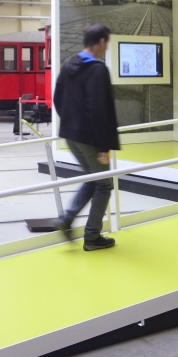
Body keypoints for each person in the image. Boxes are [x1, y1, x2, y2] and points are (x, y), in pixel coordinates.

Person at [53, 24, 120, 251]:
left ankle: (67, 218)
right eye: (106, 44)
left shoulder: (68, 65)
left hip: (71, 136)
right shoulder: (98, 70)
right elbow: (100, 109)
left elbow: (57, 98)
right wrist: (104, 145)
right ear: (101, 42)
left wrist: (72, 124)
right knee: (104, 185)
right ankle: (92, 236)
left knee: (94, 179)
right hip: (91, 139)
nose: (106, 48)